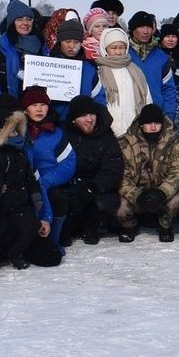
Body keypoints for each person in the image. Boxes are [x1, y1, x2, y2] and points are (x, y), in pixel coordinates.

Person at [0, 104, 53, 281]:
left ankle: (14, 252)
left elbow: (30, 177)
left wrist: (35, 194)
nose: (16, 134)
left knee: (31, 226)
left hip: (19, 205)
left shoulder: (19, 154)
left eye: (16, 130)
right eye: (11, 131)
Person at [61, 95, 124, 245]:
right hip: (71, 182)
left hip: (97, 184)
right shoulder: (64, 133)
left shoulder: (106, 136)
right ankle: (67, 229)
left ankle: (92, 227)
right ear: (74, 119)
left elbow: (113, 167)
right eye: (83, 115)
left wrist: (95, 185)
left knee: (106, 202)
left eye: (92, 114)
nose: (89, 119)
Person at [21, 86, 76, 254]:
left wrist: (48, 180)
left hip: (50, 182)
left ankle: (53, 239)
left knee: (58, 198)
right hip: (25, 181)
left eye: (43, 105)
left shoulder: (57, 133)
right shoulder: (18, 132)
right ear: (25, 108)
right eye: (34, 105)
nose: (39, 109)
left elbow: (68, 162)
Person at [117, 103, 179, 242]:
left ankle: (164, 225)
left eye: (157, 123)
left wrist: (162, 192)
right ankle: (129, 226)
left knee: (178, 198)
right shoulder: (125, 143)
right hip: (137, 194)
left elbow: (178, 172)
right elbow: (120, 177)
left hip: (162, 194)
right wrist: (136, 195)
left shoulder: (174, 141)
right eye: (148, 123)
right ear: (141, 125)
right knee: (118, 203)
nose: (153, 127)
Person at [94, 26, 153, 138]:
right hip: (108, 130)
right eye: (113, 48)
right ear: (105, 48)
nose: (118, 52)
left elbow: (147, 98)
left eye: (122, 47)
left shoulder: (135, 71)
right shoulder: (98, 72)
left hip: (134, 129)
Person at [0, 0, 46, 98]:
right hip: (11, 102)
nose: (25, 23)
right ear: (12, 23)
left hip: (37, 103)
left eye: (29, 19)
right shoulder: (1, 49)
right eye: (20, 19)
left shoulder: (42, 45)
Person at [126, 11, 176, 117]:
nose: (146, 31)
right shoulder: (123, 54)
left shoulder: (161, 56)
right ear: (133, 29)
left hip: (156, 114)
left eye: (149, 27)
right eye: (141, 27)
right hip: (129, 113)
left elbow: (168, 89)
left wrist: (169, 115)